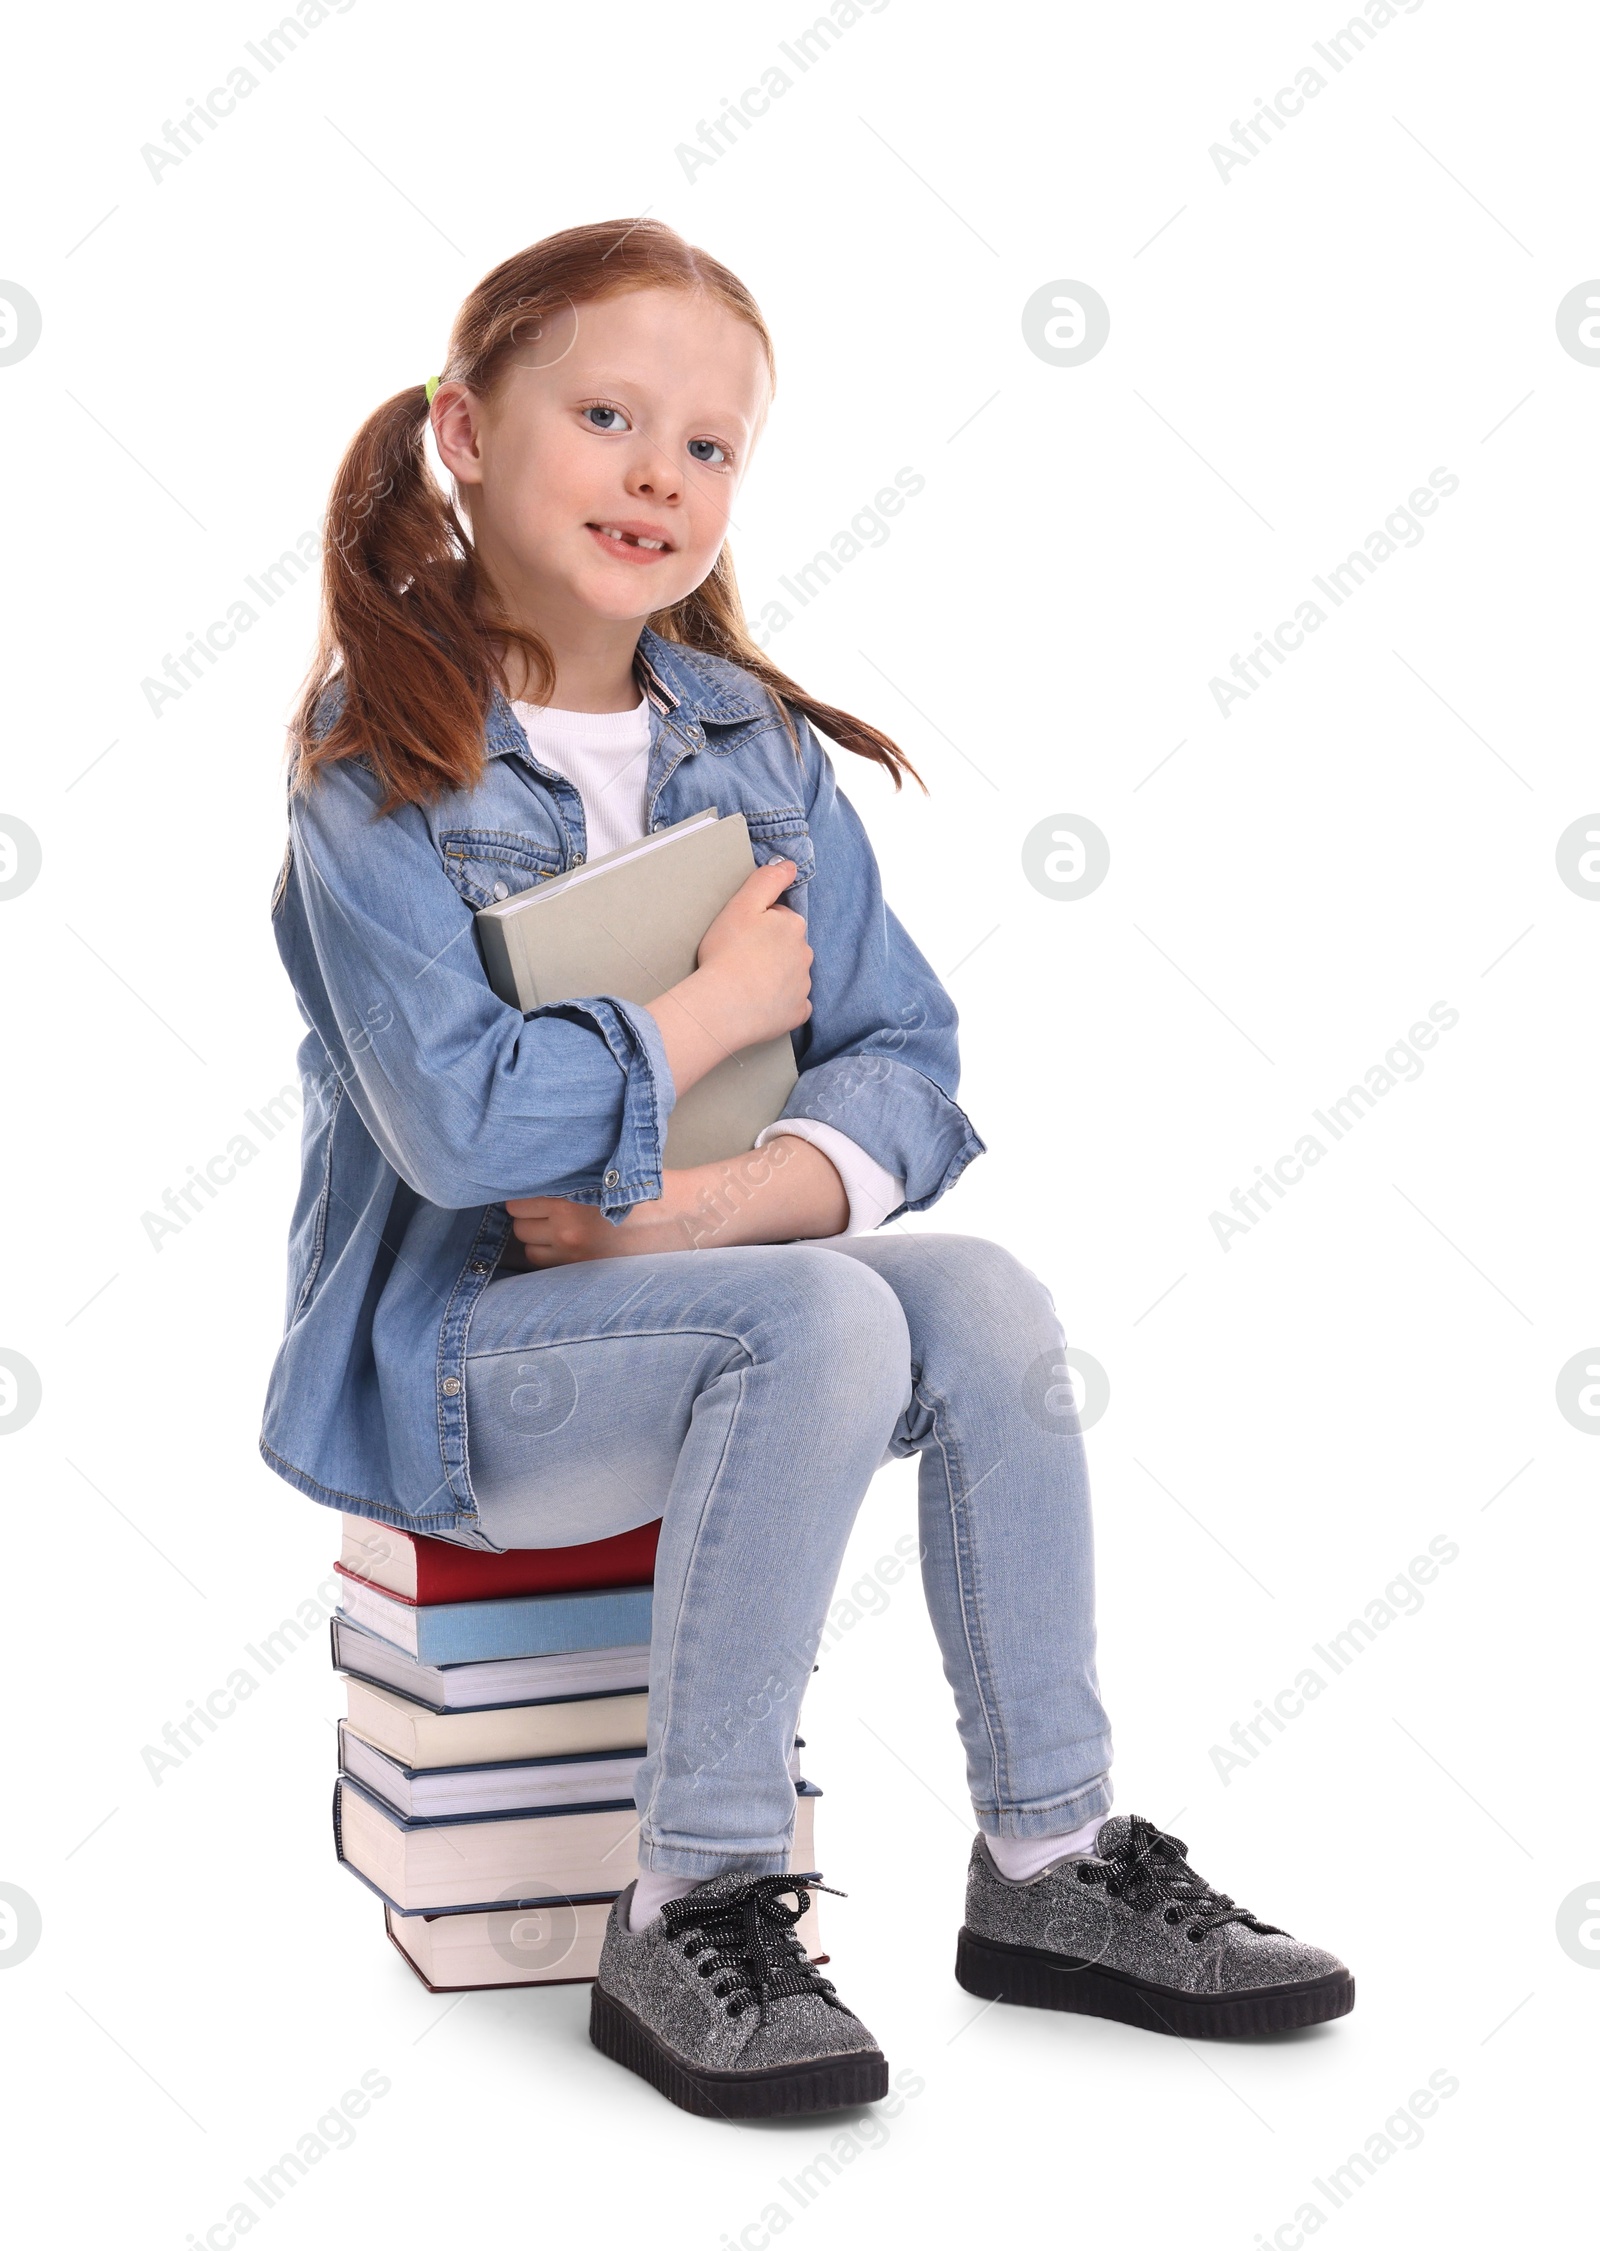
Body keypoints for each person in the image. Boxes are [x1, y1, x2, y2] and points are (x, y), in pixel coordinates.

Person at [262, 218, 1354, 2120]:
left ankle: (1048, 1863)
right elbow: (456, 1127)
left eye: (709, 446)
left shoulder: (750, 749)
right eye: (607, 415)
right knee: (826, 1333)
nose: (659, 475)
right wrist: (699, 1020)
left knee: (984, 1298)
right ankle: (691, 1898)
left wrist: (719, 1202)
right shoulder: (382, 777)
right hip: (475, 1368)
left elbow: (911, 1061)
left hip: (716, 1288)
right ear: (464, 427)